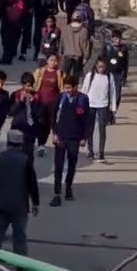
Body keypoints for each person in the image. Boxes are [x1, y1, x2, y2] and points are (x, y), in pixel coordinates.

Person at [0, 128, 40, 257]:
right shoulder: (26, 160)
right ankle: (20, 267)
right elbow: (32, 183)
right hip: (19, 207)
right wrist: (36, 203)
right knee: (20, 239)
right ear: (21, 144)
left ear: (7, 143)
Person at [49, 75, 89, 207]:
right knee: (59, 165)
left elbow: (86, 120)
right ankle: (57, 191)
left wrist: (84, 137)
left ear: (75, 87)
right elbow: (53, 116)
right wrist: (54, 133)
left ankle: (68, 187)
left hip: (75, 137)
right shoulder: (60, 98)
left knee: (72, 164)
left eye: (69, 88)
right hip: (61, 136)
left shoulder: (83, 99)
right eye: (65, 87)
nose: (66, 90)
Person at [81, 60, 119, 162]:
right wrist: (81, 104)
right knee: (90, 128)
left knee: (102, 128)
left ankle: (101, 152)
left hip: (103, 104)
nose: (101, 69)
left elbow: (112, 92)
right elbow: (84, 90)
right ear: (96, 66)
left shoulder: (109, 76)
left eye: (103, 66)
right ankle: (90, 150)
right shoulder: (90, 76)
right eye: (99, 66)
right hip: (90, 104)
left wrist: (113, 108)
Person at [32, 54, 64, 152]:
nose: (53, 62)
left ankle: (53, 139)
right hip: (41, 102)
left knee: (52, 123)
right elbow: (33, 83)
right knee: (41, 122)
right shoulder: (40, 71)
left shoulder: (60, 73)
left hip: (54, 103)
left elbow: (62, 88)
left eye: (55, 60)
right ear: (47, 61)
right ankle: (41, 144)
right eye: (51, 60)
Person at [7, 73, 43, 157]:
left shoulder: (37, 96)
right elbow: (10, 112)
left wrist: (33, 102)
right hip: (17, 128)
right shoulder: (15, 95)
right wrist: (20, 102)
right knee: (15, 154)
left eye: (31, 86)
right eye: (28, 85)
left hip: (30, 130)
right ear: (22, 84)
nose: (30, 88)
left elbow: (40, 114)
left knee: (28, 155)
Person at [101, 28, 130, 110]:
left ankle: (113, 110)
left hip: (118, 75)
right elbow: (100, 60)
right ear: (112, 38)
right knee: (106, 93)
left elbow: (126, 63)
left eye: (119, 39)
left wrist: (124, 76)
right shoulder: (107, 47)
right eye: (115, 38)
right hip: (107, 73)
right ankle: (106, 111)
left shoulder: (124, 49)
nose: (117, 41)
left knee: (117, 95)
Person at [59, 13, 92, 80]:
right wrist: (86, 57)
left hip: (67, 54)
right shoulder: (84, 30)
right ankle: (74, 89)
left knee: (64, 76)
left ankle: (63, 89)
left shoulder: (65, 28)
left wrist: (61, 52)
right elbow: (86, 45)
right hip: (78, 56)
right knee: (75, 77)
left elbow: (61, 42)